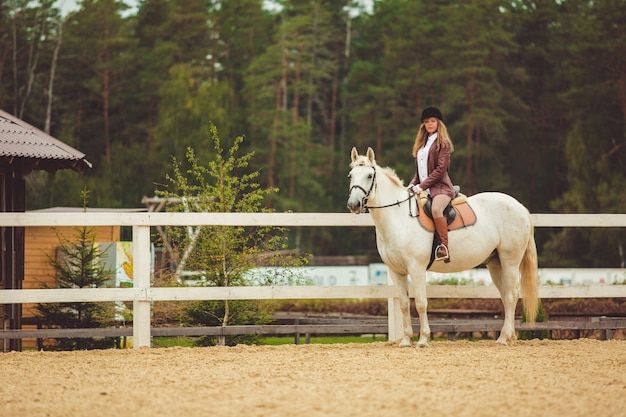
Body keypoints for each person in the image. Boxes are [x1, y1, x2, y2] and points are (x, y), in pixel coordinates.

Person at [407, 106, 455, 262]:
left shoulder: (443, 143)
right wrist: (411, 185)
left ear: (438, 123)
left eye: (433, 121)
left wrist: (421, 186)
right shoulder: (422, 146)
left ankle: (444, 247)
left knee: (435, 210)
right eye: (427, 121)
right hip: (425, 190)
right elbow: (420, 173)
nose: (430, 124)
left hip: (441, 189)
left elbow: (441, 169)